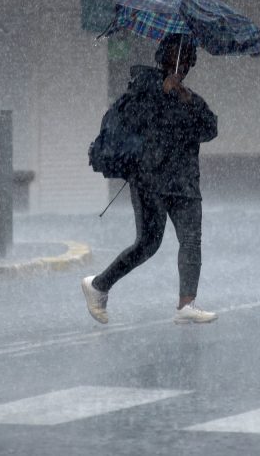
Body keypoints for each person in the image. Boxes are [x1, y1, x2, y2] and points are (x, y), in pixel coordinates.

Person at [82, 33, 218, 325]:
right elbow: (134, 122)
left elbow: (210, 129)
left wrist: (186, 98)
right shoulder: (144, 89)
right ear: (164, 57)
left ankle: (186, 304)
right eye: (181, 58)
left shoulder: (188, 98)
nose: (185, 66)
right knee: (147, 243)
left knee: (192, 240)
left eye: (189, 61)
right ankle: (98, 286)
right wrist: (161, 91)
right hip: (150, 180)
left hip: (184, 182)